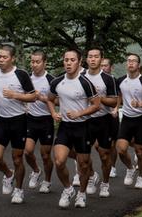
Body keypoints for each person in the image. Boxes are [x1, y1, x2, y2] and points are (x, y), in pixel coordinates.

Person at [47, 48, 100, 209]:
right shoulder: (57, 82)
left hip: (83, 126)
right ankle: (68, 189)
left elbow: (96, 105)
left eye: (72, 60)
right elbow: (49, 99)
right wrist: (53, 113)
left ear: (79, 62)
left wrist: (80, 113)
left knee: (83, 164)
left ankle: (82, 194)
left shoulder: (86, 83)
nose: (68, 63)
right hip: (65, 126)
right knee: (59, 161)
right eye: (66, 60)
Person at [0, 44, 37, 204]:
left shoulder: (20, 74)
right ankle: (8, 174)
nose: (0, 60)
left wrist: (15, 95)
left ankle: (19, 190)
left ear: (12, 58)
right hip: (1, 120)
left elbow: (33, 96)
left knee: (17, 159)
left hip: (19, 120)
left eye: (4, 57)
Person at [106, 53, 142, 189]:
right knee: (121, 149)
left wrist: (140, 104)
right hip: (127, 118)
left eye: (134, 61)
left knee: (140, 152)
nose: (131, 63)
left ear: (139, 65)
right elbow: (119, 95)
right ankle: (130, 168)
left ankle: (141, 177)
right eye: (129, 61)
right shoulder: (120, 80)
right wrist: (116, 108)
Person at [81, 47, 118, 198]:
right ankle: (91, 176)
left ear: (101, 59)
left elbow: (114, 101)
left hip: (104, 120)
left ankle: (105, 183)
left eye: (96, 57)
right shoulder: (80, 76)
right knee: (81, 155)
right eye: (90, 56)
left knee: (104, 155)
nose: (93, 59)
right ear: (86, 59)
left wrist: (98, 97)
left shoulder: (108, 79)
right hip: (85, 120)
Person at [24, 50, 55, 194]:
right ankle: (36, 170)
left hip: (46, 121)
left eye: (37, 62)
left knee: (45, 155)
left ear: (44, 63)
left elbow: (59, 100)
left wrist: (44, 98)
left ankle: (47, 181)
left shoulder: (51, 80)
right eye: (32, 61)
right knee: (27, 151)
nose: (34, 64)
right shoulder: (27, 79)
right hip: (30, 119)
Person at [101, 58, 121, 180]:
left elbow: (119, 96)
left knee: (112, 144)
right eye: (101, 65)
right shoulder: (94, 79)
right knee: (99, 146)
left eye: (105, 66)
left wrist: (116, 108)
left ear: (111, 67)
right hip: (98, 116)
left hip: (111, 115)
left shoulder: (113, 80)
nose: (103, 68)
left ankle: (112, 166)